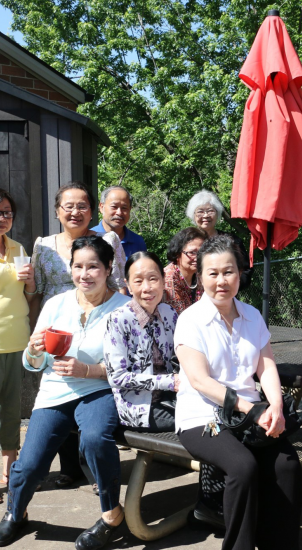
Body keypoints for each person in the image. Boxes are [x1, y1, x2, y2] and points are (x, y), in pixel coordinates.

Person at [0, 236, 129, 549]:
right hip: (56, 389)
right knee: (30, 464)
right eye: (78, 266)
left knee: (96, 438)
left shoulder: (125, 309)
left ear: (108, 267)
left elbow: (132, 368)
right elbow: (35, 363)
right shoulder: (56, 304)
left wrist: (90, 370)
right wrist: (34, 350)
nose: (84, 274)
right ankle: (16, 513)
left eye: (93, 266)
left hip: (100, 388)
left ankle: (112, 514)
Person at [175, 234, 302, 550]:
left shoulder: (252, 315)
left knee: (286, 463)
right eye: (212, 273)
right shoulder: (190, 321)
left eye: (228, 271)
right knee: (242, 466)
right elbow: (201, 381)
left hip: (250, 415)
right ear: (200, 277)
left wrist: (274, 406)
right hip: (204, 418)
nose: (221, 281)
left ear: (240, 272)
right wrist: (252, 409)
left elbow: (267, 366)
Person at [31, 181, 127, 491]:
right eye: (68, 206)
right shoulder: (43, 245)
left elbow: (120, 283)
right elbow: (38, 292)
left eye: (82, 205)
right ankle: (70, 467)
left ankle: (98, 468)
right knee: (58, 397)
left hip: (99, 325)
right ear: (57, 211)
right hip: (56, 330)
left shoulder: (108, 239)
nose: (75, 211)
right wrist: (35, 334)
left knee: (93, 397)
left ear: (92, 210)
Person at [105, 252, 178, 431]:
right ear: (128, 286)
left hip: (173, 398)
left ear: (163, 280)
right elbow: (117, 377)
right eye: (138, 281)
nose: (147, 288)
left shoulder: (169, 313)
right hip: (139, 407)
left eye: (153, 279)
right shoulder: (118, 320)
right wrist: (169, 382)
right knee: (200, 420)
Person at [0, 189, 35, 504]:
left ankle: (8, 473)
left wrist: (30, 280)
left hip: (15, 340)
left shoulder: (18, 248)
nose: (3, 218)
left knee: (11, 410)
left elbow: (29, 293)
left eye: (8, 212)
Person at [186, 189, 253, 290]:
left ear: (217, 214)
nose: (205, 215)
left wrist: (229, 285)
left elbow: (245, 270)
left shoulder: (232, 241)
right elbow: (176, 269)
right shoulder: (186, 241)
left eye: (210, 211)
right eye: (200, 211)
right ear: (193, 215)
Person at [90, 186, 147, 260]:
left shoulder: (137, 242)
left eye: (124, 208)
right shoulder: (90, 238)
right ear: (101, 207)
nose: (119, 213)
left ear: (130, 209)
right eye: (114, 207)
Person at [164, 227, 206, 314]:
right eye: (192, 253)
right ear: (177, 253)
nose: (198, 258)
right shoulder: (168, 279)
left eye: (202, 252)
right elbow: (179, 316)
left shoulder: (199, 275)